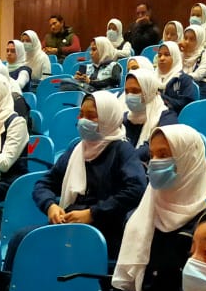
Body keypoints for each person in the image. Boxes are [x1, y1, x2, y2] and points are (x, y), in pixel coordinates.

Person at [68, 124, 206, 291]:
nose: (154, 162)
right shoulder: (142, 215)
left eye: (164, 155)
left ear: (188, 161)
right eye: (152, 155)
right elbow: (123, 282)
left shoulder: (203, 228)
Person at [28, 91, 147, 261]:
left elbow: (136, 190)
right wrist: (50, 206)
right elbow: (44, 183)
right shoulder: (77, 149)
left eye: (91, 116)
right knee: (21, 240)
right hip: (69, 223)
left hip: (106, 229)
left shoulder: (122, 150)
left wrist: (93, 213)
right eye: (81, 115)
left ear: (108, 118)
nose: (83, 121)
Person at [121, 67, 177, 161]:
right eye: (127, 92)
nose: (129, 96)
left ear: (149, 91)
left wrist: (123, 159)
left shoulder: (167, 118)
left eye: (135, 91)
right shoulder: (124, 118)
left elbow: (151, 149)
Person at [156, 41, 199, 114]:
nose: (162, 58)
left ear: (175, 57)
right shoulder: (152, 77)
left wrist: (161, 97)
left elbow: (186, 106)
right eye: (159, 55)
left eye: (167, 55)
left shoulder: (184, 79)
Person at [180, 25, 206, 98]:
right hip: (184, 85)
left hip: (202, 86)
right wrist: (177, 51)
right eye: (185, 38)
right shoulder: (182, 54)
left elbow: (198, 76)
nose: (187, 42)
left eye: (191, 39)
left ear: (199, 40)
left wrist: (178, 77)